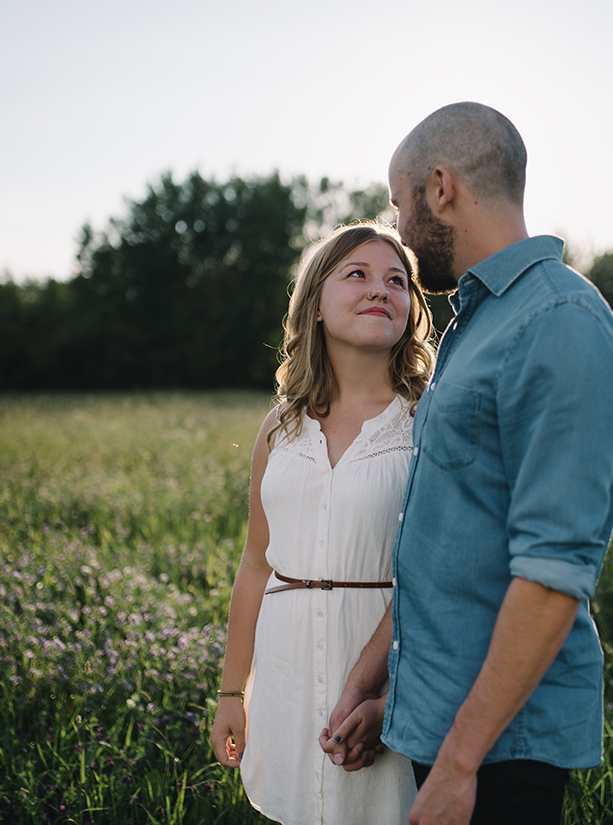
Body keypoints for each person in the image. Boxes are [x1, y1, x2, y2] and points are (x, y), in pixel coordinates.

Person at [321, 103, 613, 824]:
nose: (399, 229)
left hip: (501, 749)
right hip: (441, 716)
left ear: (440, 188)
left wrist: (460, 766)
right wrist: (382, 686)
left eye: (399, 207)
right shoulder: (477, 322)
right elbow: (454, 545)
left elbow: (552, 577)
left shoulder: (560, 324)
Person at [209, 221, 435, 824]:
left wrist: (391, 698)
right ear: (313, 305)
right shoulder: (280, 426)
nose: (380, 290)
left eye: (397, 281)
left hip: (389, 669)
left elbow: (445, 576)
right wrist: (233, 693)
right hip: (283, 671)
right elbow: (256, 562)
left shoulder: (427, 421)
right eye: (356, 274)